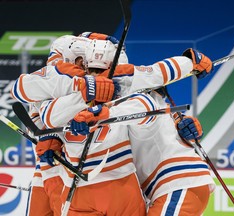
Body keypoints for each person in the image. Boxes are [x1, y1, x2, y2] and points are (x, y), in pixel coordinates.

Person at [36, 39, 215, 215]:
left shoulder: (128, 88)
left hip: (178, 180)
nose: (96, 75)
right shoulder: (85, 91)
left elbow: (146, 104)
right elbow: (46, 112)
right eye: (92, 70)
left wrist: (189, 62)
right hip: (161, 187)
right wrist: (51, 136)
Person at [11, 34, 118, 216]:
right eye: (78, 60)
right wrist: (45, 136)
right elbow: (35, 112)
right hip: (52, 164)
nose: (82, 65)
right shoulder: (56, 76)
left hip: (96, 165)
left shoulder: (105, 76)